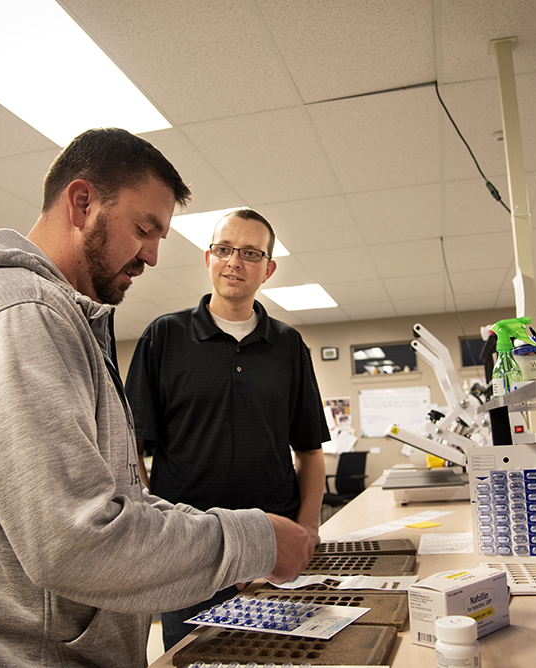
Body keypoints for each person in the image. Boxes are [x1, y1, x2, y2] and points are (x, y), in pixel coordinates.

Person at [0, 129, 315, 668]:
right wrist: (254, 539)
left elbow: (116, 496)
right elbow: (75, 539)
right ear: (82, 202)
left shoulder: (61, 319)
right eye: (145, 229)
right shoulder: (17, 316)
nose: (154, 256)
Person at [126, 208, 328, 650]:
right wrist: (157, 528)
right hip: (189, 555)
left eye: (251, 253)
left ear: (268, 269)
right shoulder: (164, 337)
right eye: (225, 249)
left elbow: (310, 451)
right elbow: (130, 451)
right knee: (194, 659)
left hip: (274, 549)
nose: (235, 261)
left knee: (285, 657)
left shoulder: (288, 345)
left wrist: (308, 528)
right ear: (208, 258)